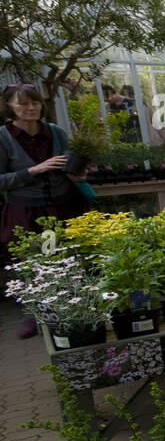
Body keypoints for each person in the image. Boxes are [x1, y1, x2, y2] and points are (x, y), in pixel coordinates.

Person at [1, 83, 91, 338]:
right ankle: (34, 313)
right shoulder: (3, 138)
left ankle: (71, 308)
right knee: (29, 262)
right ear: (10, 107)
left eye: (35, 103)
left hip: (61, 208)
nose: (31, 108)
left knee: (64, 257)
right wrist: (34, 170)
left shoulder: (56, 133)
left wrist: (79, 173)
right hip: (26, 212)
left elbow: (71, 163)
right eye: (23, 104)